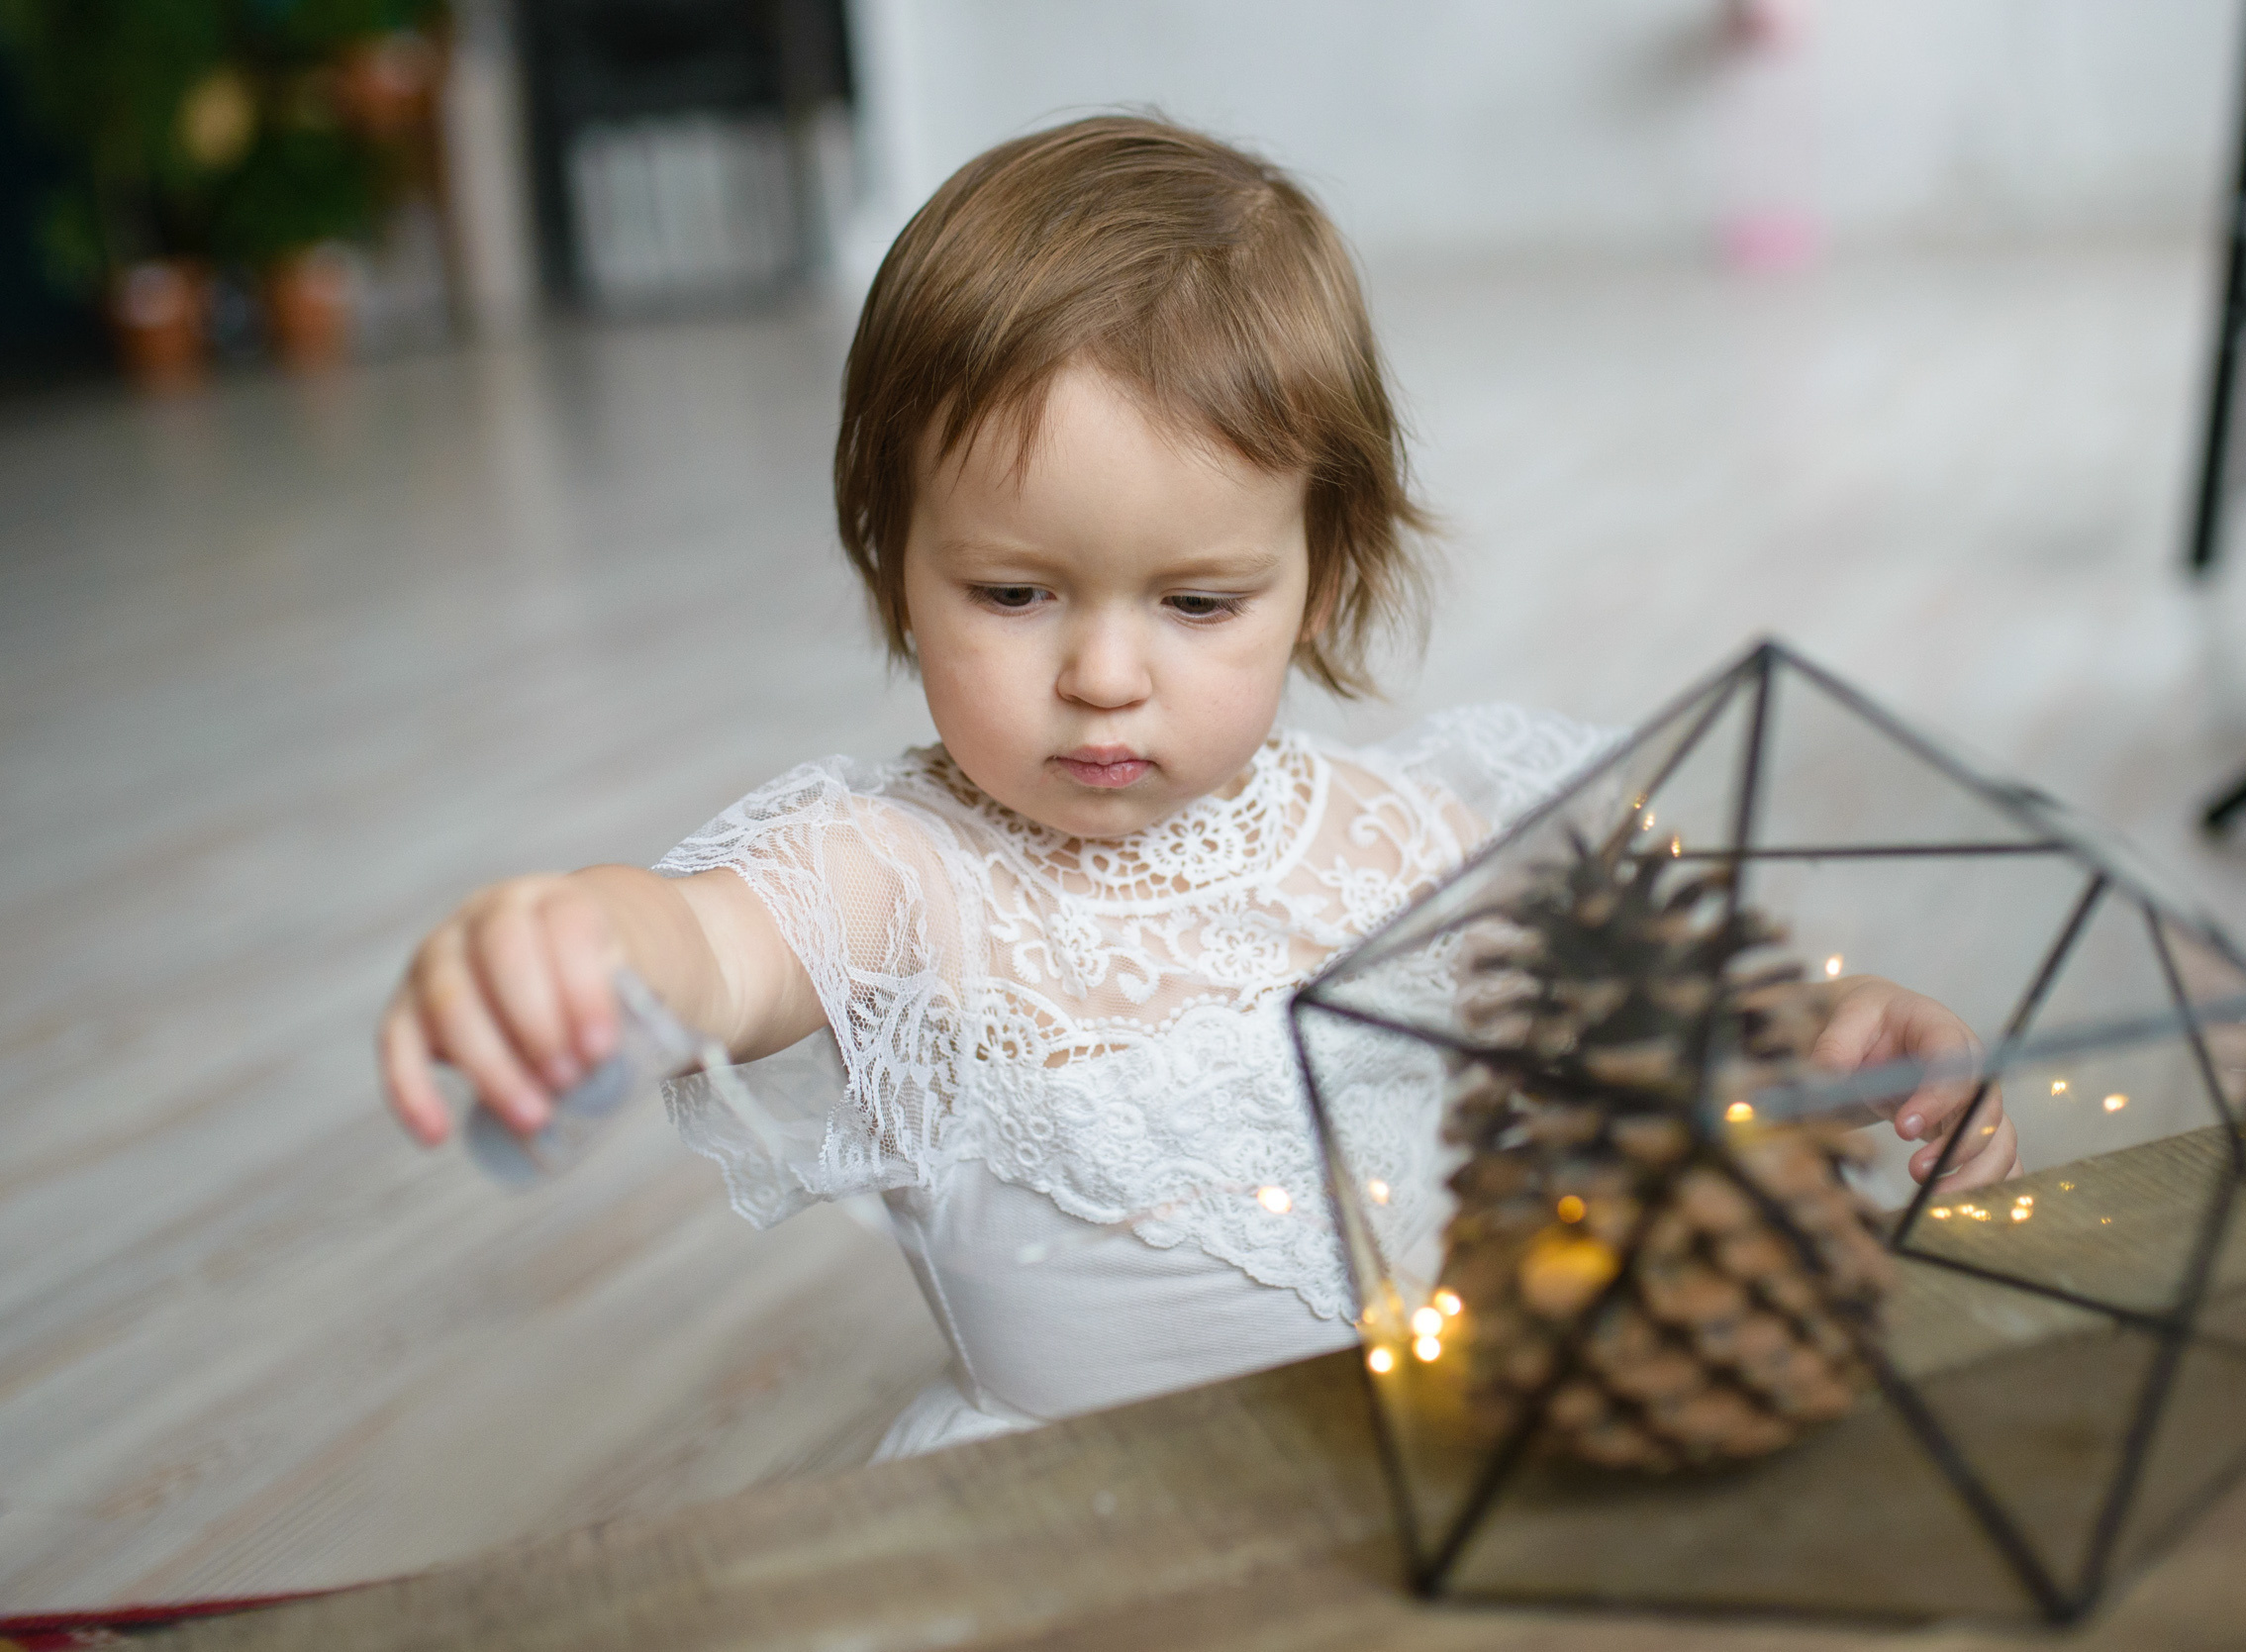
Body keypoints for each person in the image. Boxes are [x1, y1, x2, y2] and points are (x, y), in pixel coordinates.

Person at [377, 115, 2017, 1459]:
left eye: (1198, 602)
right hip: (1077, 1524)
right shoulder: (902, 869)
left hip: (1440, 1464)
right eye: (1014, 594)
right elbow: (705, 946)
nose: (1104, 674)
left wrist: (1819, 1027)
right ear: (898, 560)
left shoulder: (1419, 840)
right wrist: (570, 945)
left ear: (1324, 571)